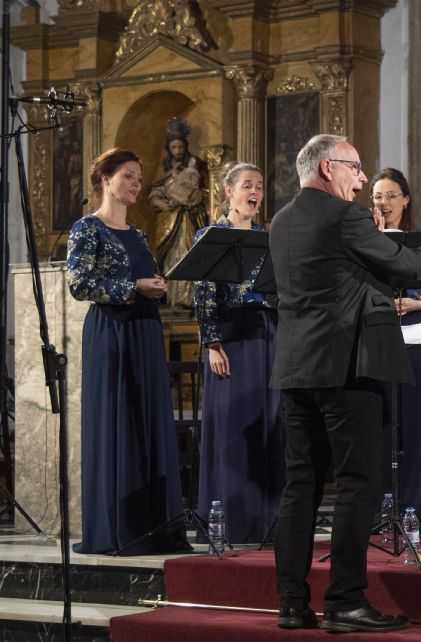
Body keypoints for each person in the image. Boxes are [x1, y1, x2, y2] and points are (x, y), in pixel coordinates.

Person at [269, 134, 421, 632]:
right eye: (354, 168)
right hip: (349, 366)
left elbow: (341, 276)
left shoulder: (283, 219)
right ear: (324, 168)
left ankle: (292, 603)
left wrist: (371, 242)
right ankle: (345, 601)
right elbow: (407, 266)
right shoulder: (345, 217)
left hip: (297, 367)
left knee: (301, 486)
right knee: (359, 483)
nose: (362, 178)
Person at [67, 148, 191, 556]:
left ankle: (154, 525)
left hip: (144, 331)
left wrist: (156, 286)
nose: (136, 183)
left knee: (148, 421)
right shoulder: (88, 228)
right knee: (118, 422)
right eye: (128, 176)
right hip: (112, 334)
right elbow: (80, 285)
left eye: (139, 177)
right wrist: (134, 287)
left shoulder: (137, 234)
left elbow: (143, 278)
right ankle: (119, 528)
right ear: (105, 179)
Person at [193, 162, 284, 544]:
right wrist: (212, 343)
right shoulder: (211, 235)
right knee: (232, 425)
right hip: (230, 337)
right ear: (228, 191)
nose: (255, 192)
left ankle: (269, 522)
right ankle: (227, 520)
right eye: (247, 185)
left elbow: (281, 290)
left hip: (268, 334)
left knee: (270, 422)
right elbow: (203, 292)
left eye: (259, 186)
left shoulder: (268, 236)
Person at [370, 168, 421, 531]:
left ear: (405, 199)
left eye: (390, 196)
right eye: (377, 197)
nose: (384, 203)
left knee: (417, 423)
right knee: (381, 423)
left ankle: (417, 511)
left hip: (418, 338)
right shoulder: (363, 242)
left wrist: (417, 305)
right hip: (377, 340)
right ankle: (380, 512)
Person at [148, 117, 209, 308]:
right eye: (173, 147)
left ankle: (189, 300)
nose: (177, 151)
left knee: (188, 254)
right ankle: (173, 300)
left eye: (180, 147)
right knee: (170, 259)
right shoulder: (164, 169)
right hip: (169, 221)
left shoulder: (194, 165)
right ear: (168, 148)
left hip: (189, 219)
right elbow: (155, 191)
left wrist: (190, 197)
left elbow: (203, 191)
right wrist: (160, 201)